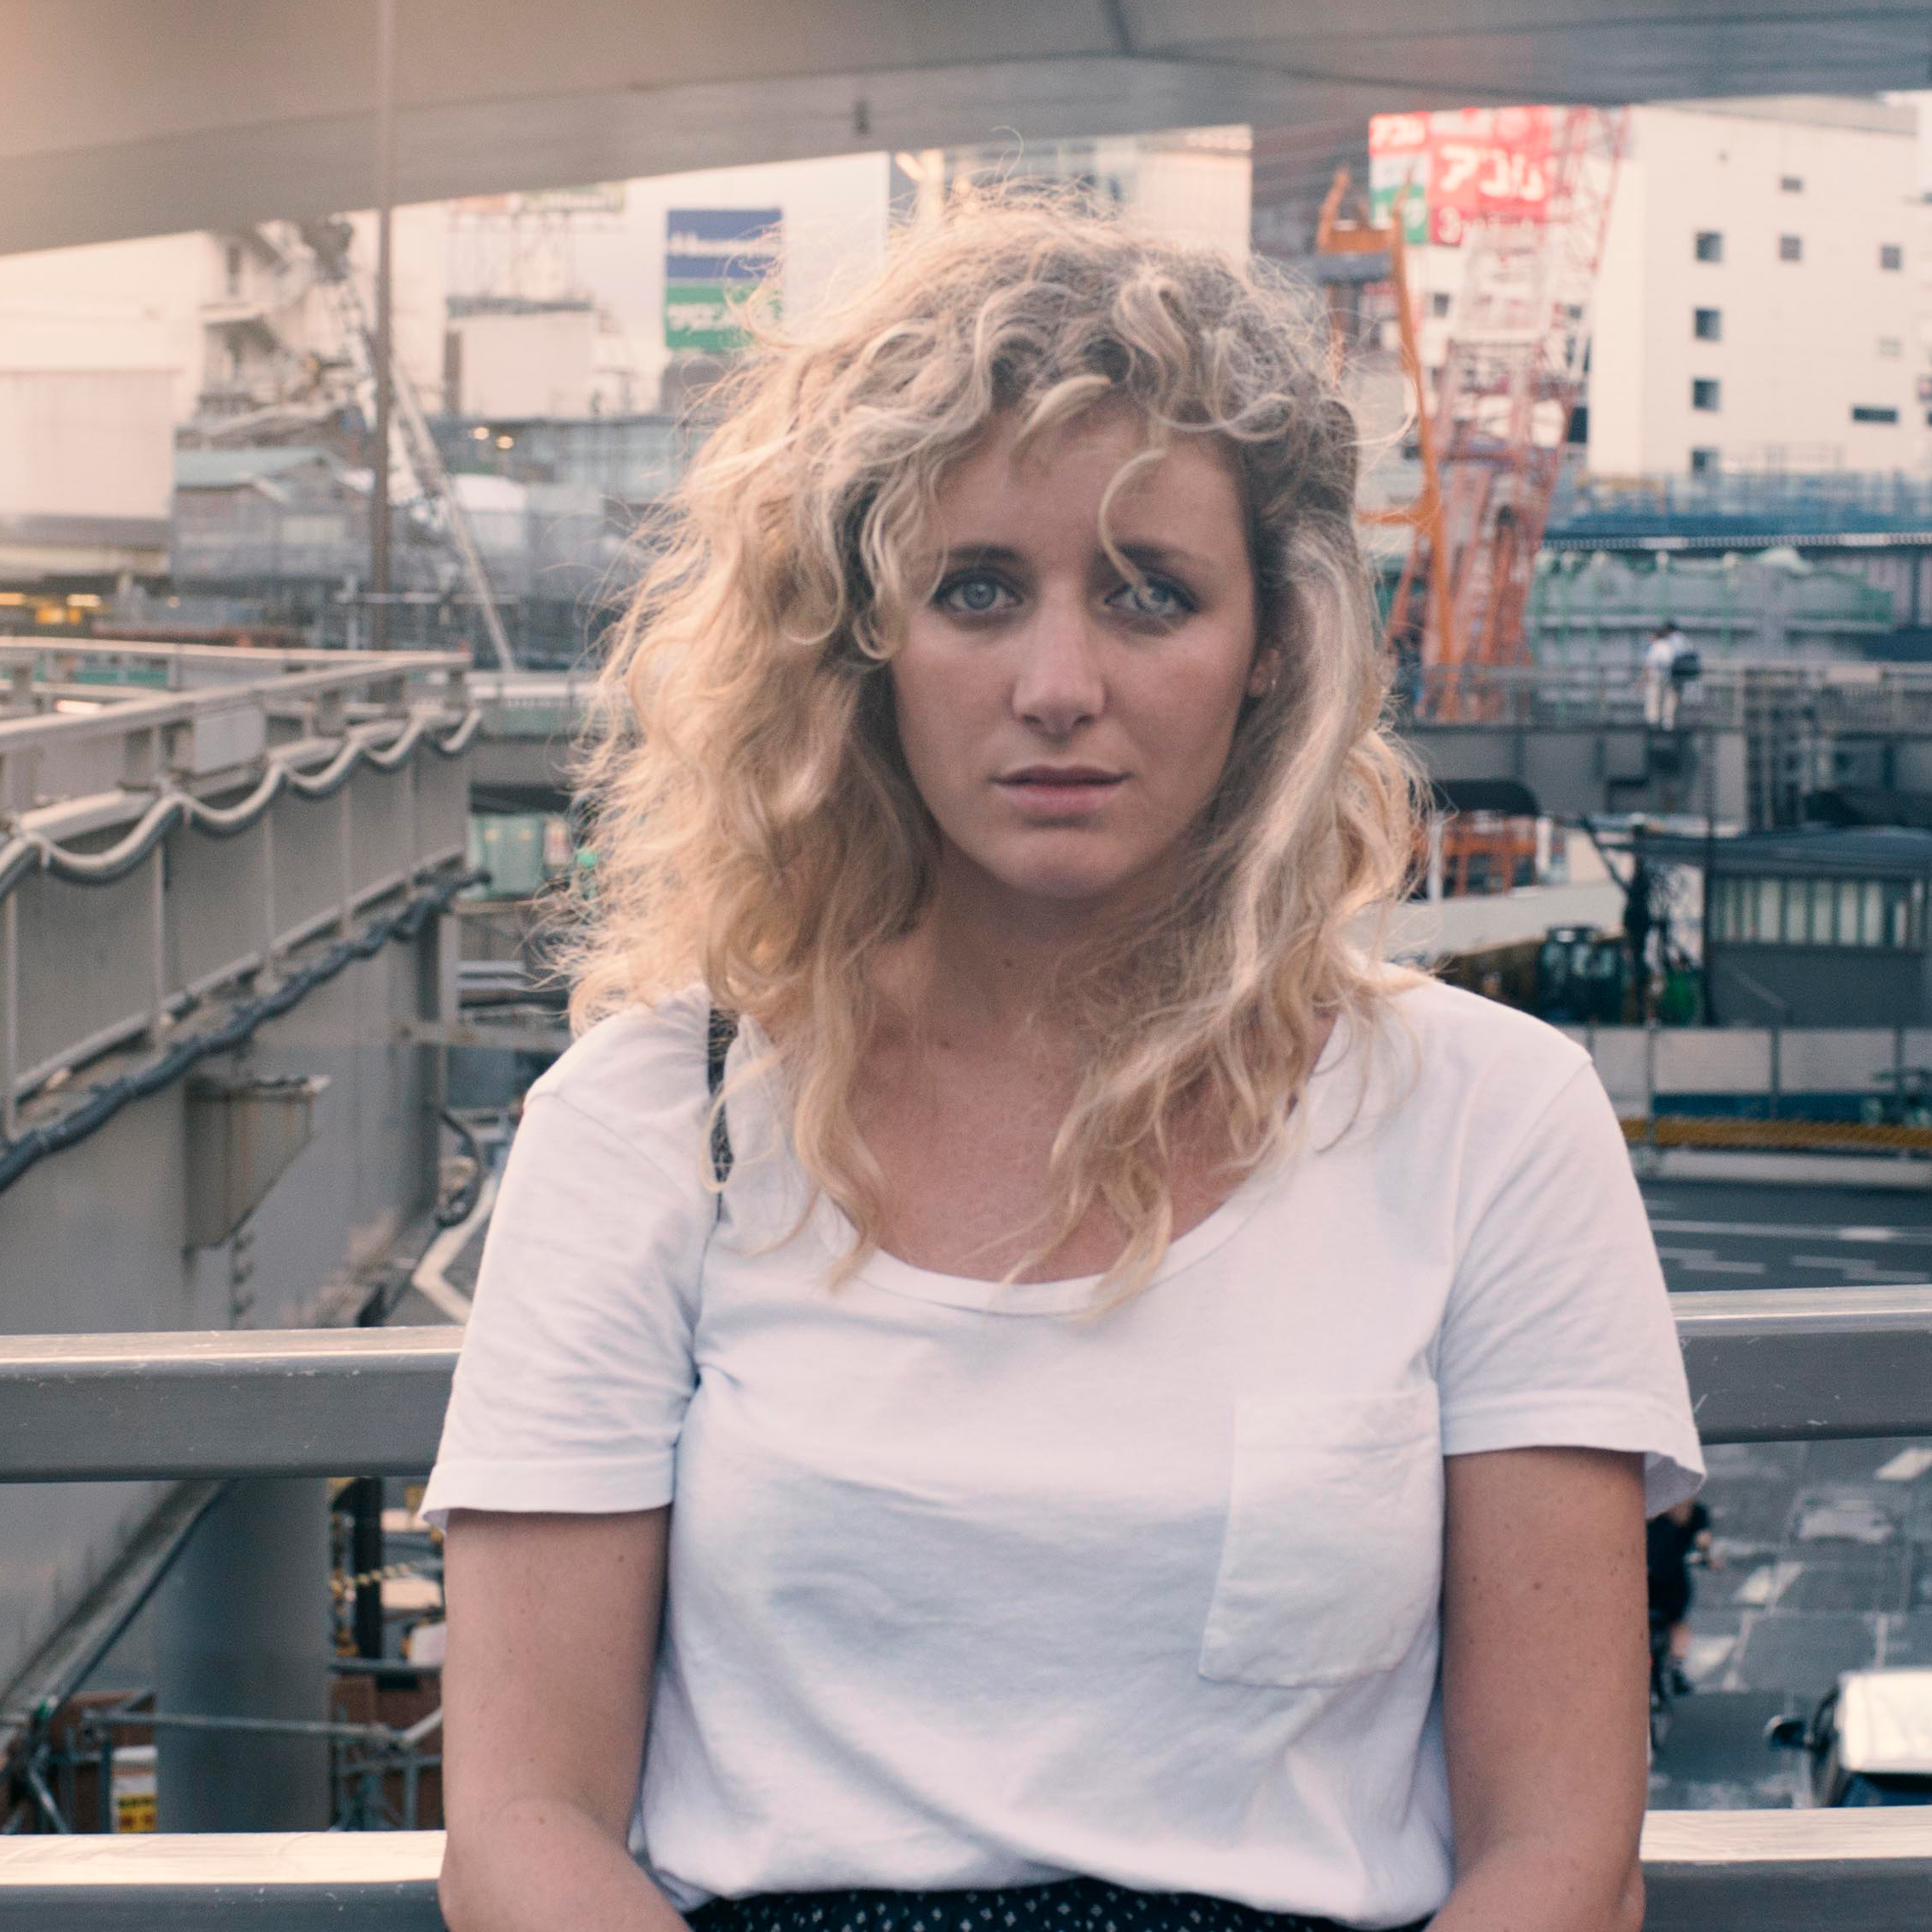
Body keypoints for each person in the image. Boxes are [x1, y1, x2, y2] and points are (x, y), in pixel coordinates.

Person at [424, 192, 1704, 1932]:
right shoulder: (651, 1121)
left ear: (1271, 648)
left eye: (1146, 594)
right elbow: (521, 1826)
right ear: (857, 641)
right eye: (973, 590)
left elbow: (1558, 1854)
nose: (1055, 683)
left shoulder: (1488, 1117)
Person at [1646, 1497, 1718, 1696]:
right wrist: (1707, 1558)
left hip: (1646, 1578)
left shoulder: (1651, 1507)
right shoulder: (1695, 1512)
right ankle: (1676, 1670)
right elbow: (1703, 1541)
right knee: (1678, 1623)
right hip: (1674, 1582)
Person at [1642, 622, 1689, 730]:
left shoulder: (1656, 646)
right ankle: (1668, 721)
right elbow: (1671, 661)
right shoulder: (1669, 645)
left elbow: (1650, 663)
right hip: (1669, 676)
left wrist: (1644, 679)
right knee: (1669, 698)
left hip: (1656, 676)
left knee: (1654, 697)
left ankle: (1653, 720)